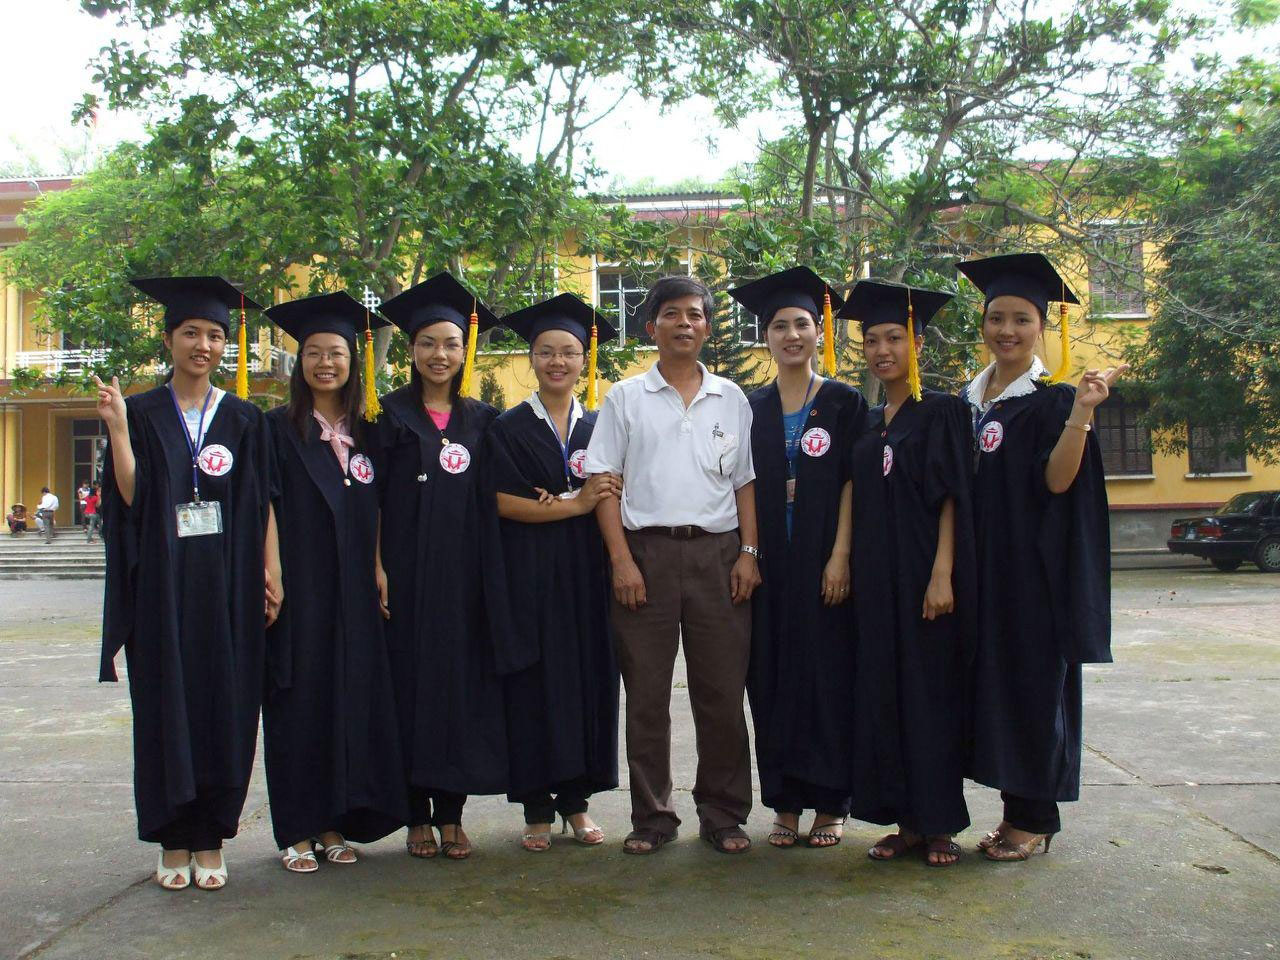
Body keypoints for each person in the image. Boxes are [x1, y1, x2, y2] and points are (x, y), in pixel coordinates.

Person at [94, 275, 276, 892]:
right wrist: (118, 429)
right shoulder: (142, 411)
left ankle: (211, 836)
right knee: (165, 705)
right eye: (192, 333)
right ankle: (174, 836)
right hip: (165, 585)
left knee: (226, 704)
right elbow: (132, 496)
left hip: (229, 581)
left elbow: (262, 504)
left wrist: (271, 570)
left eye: (215, 335)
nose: (203, 344)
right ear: (169, 338)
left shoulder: (246, 419)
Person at [584, 273, 761, 856]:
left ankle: (723, 812)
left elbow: (745, 484)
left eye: (695, 314)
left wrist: (748, 554)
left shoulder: (731, 398)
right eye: (672, 314)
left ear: (708, 327)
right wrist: (620, 562)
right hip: (646, 557)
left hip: (717, 557)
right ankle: (653, 817)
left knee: (720, 692)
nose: (684, 323)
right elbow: (604, 484)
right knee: (648, 694)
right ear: (651, 324)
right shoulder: (624, 398)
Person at [955, 253, 1123, 862]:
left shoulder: (1053, 401)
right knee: (989, 692)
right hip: (977, 572)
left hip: (1028, 575)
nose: (1007, 330)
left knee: (1030, 690)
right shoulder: (968, 401)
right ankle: (1010, 814)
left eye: (1021, 319)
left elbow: (1057, 483)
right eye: (996, 317)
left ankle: (1032, 818)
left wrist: (1082, 413)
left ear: (1042, 327)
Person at [376, 272, 528, 862]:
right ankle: (416, 814)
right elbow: (374, 500)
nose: (440, 355)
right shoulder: (385, 416)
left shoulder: (483, 420)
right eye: (427, 344)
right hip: (407, 578)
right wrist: (378, 565)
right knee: (410, 689)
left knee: (461, 693)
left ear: (466, 350)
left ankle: (454, 815)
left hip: (466, 580)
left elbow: (503, 495)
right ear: (411, 351)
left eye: (450, 344)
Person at [261, 292, 409, 874]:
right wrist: (270, 570)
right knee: (300, 701)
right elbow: (266, 503)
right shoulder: (277, 428)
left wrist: (376, 565)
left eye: (338, 354)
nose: (327, 363)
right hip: (302, 585)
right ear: (301, 363)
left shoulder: (369, 429)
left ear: (354, 362)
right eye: (315, 353)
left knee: (348, 700)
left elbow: (378, 508)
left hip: (353, 586)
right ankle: (296, 829)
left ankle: (333, 823)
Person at [838, 280, 978, 867]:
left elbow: (951, 496)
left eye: (894, 336)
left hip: (924, 573)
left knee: (930, 694)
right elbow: (851, 489)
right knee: (885, 695)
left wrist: (943, 571)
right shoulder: (870, 422)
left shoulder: (942, 410)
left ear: (917, 341)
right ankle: (904, 823)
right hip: (875, 577)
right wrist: (839, 554)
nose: (882, 349)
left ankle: (939, 822)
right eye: (871, 340)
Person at [727, 267, 866, 850]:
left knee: (829, 678)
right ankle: (784, 802)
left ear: (819, 331)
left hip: (822, 561)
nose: (791, 335)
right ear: (767, 337)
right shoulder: (748, 405)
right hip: (771, 565)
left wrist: (840, 556)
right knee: (773, 680)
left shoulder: (843, 401)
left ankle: (830, 804)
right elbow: (741, 483)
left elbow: (854, 483)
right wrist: (749, 553)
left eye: (802, 324)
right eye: (779, 326)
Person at [488, 294, 621, 852]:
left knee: (587, 682)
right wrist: (573, 503)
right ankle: (537, 809)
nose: (557, 362)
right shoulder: (509, 427)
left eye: (569, 352)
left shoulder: (602, 425)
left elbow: (614, 489)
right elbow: (502, 500)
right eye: (546, 352)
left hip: (588, 576)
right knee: (535, 686)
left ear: (584, 360)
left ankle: (578, 804)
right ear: (531, 358)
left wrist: (563, 499)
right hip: (532, 577)